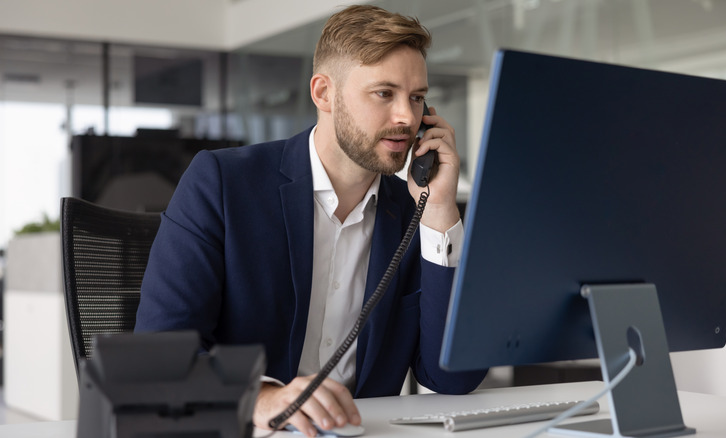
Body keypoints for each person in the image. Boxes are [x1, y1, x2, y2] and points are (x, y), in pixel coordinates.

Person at [134, 4, 487, 437]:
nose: (407, 118)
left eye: (417, 97)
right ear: (324, 94)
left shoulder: (416, 214)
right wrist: (260, 398)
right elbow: (159, 355)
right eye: (384, 93)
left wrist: (438, 213)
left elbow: (452, 377)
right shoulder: (222, 184)